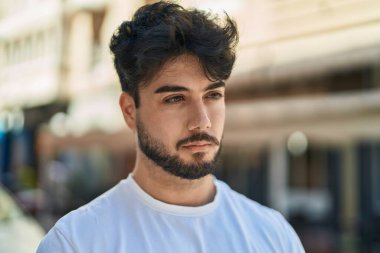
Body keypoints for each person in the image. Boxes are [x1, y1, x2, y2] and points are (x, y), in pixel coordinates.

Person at [37, 1, 305, 252]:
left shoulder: (273, 236)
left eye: (213, 95)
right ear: (130, 111)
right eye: (175, 98)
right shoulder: (76, 242)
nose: (202, 121)